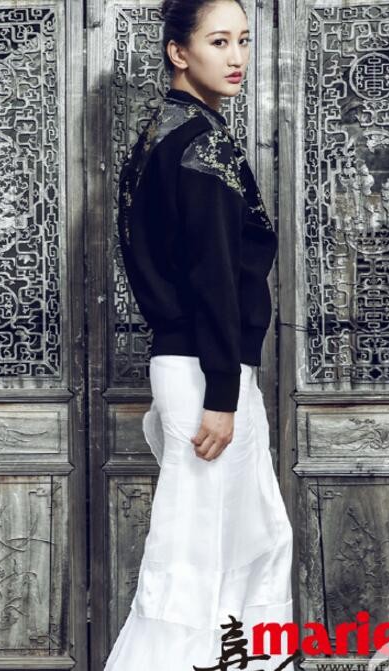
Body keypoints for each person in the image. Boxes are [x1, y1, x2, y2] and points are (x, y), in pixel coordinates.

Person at [104, 0, 294, 669]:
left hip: (190, 363)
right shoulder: (199, 144)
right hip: (205, 369)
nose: (236, 57)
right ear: (178, 53)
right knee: (202, 559)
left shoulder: (167, 131)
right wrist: (221, 392)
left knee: (234, 545)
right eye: (218, 42)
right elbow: (213, 276)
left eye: (243, 40)